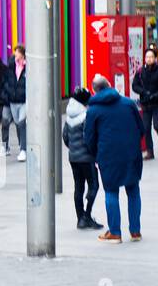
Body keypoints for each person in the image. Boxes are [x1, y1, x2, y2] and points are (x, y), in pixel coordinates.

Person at [83, 75, 146, 243]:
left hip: (108, 156)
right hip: (131, 154)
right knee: (133, 191)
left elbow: (88, 138)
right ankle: (135, 231)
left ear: (94, 90)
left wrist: (97, 154)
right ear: (110, 85)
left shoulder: (93, 110)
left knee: (111, 192)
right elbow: (141, 129)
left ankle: (115, 233)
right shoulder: (128, 103)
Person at [63, 87, 103, 230]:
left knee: (78, 187)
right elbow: (89, 138)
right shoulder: (86, 116)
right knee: (94, 185)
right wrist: (94, 153)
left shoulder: (69, 117)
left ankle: (80, 219)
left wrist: (74, 148)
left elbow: (66, 138)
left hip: (73, 158)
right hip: (87, 158)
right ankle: (87, 215)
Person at [132, 47, 158, 160]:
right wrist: (143, 92)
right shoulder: (140, 71)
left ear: (155, 58)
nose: (149, 59)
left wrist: (155, 95)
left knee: (157, 125)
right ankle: (150, 151)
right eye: (147, 57)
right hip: (145, 102)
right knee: (145, 128)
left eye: (151, 57)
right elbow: (135, 85)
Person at [0, 45, 28, 159]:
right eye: (15, 52)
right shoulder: (11, 66)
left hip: (23, 101)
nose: (15, 54)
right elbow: (5, 81)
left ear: (22, 54)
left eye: (17, 52)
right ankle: (5, 147)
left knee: (21, 123)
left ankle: (23, 149)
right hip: (10, 100)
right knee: (5, 123)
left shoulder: (27, 67)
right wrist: (5, 95)